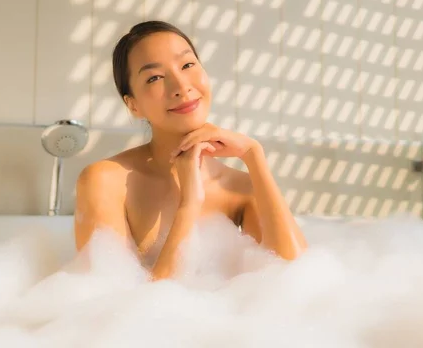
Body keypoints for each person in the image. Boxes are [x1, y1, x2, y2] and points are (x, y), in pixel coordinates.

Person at [74, 20, 307, 281]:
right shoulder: (105, 181)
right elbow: (120, 307)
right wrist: (189, 205)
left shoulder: (240, 187)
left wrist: (254, 155)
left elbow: (296, 277)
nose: (181, 86)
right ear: (134, 105)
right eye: (155, 78)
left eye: (187, 65)